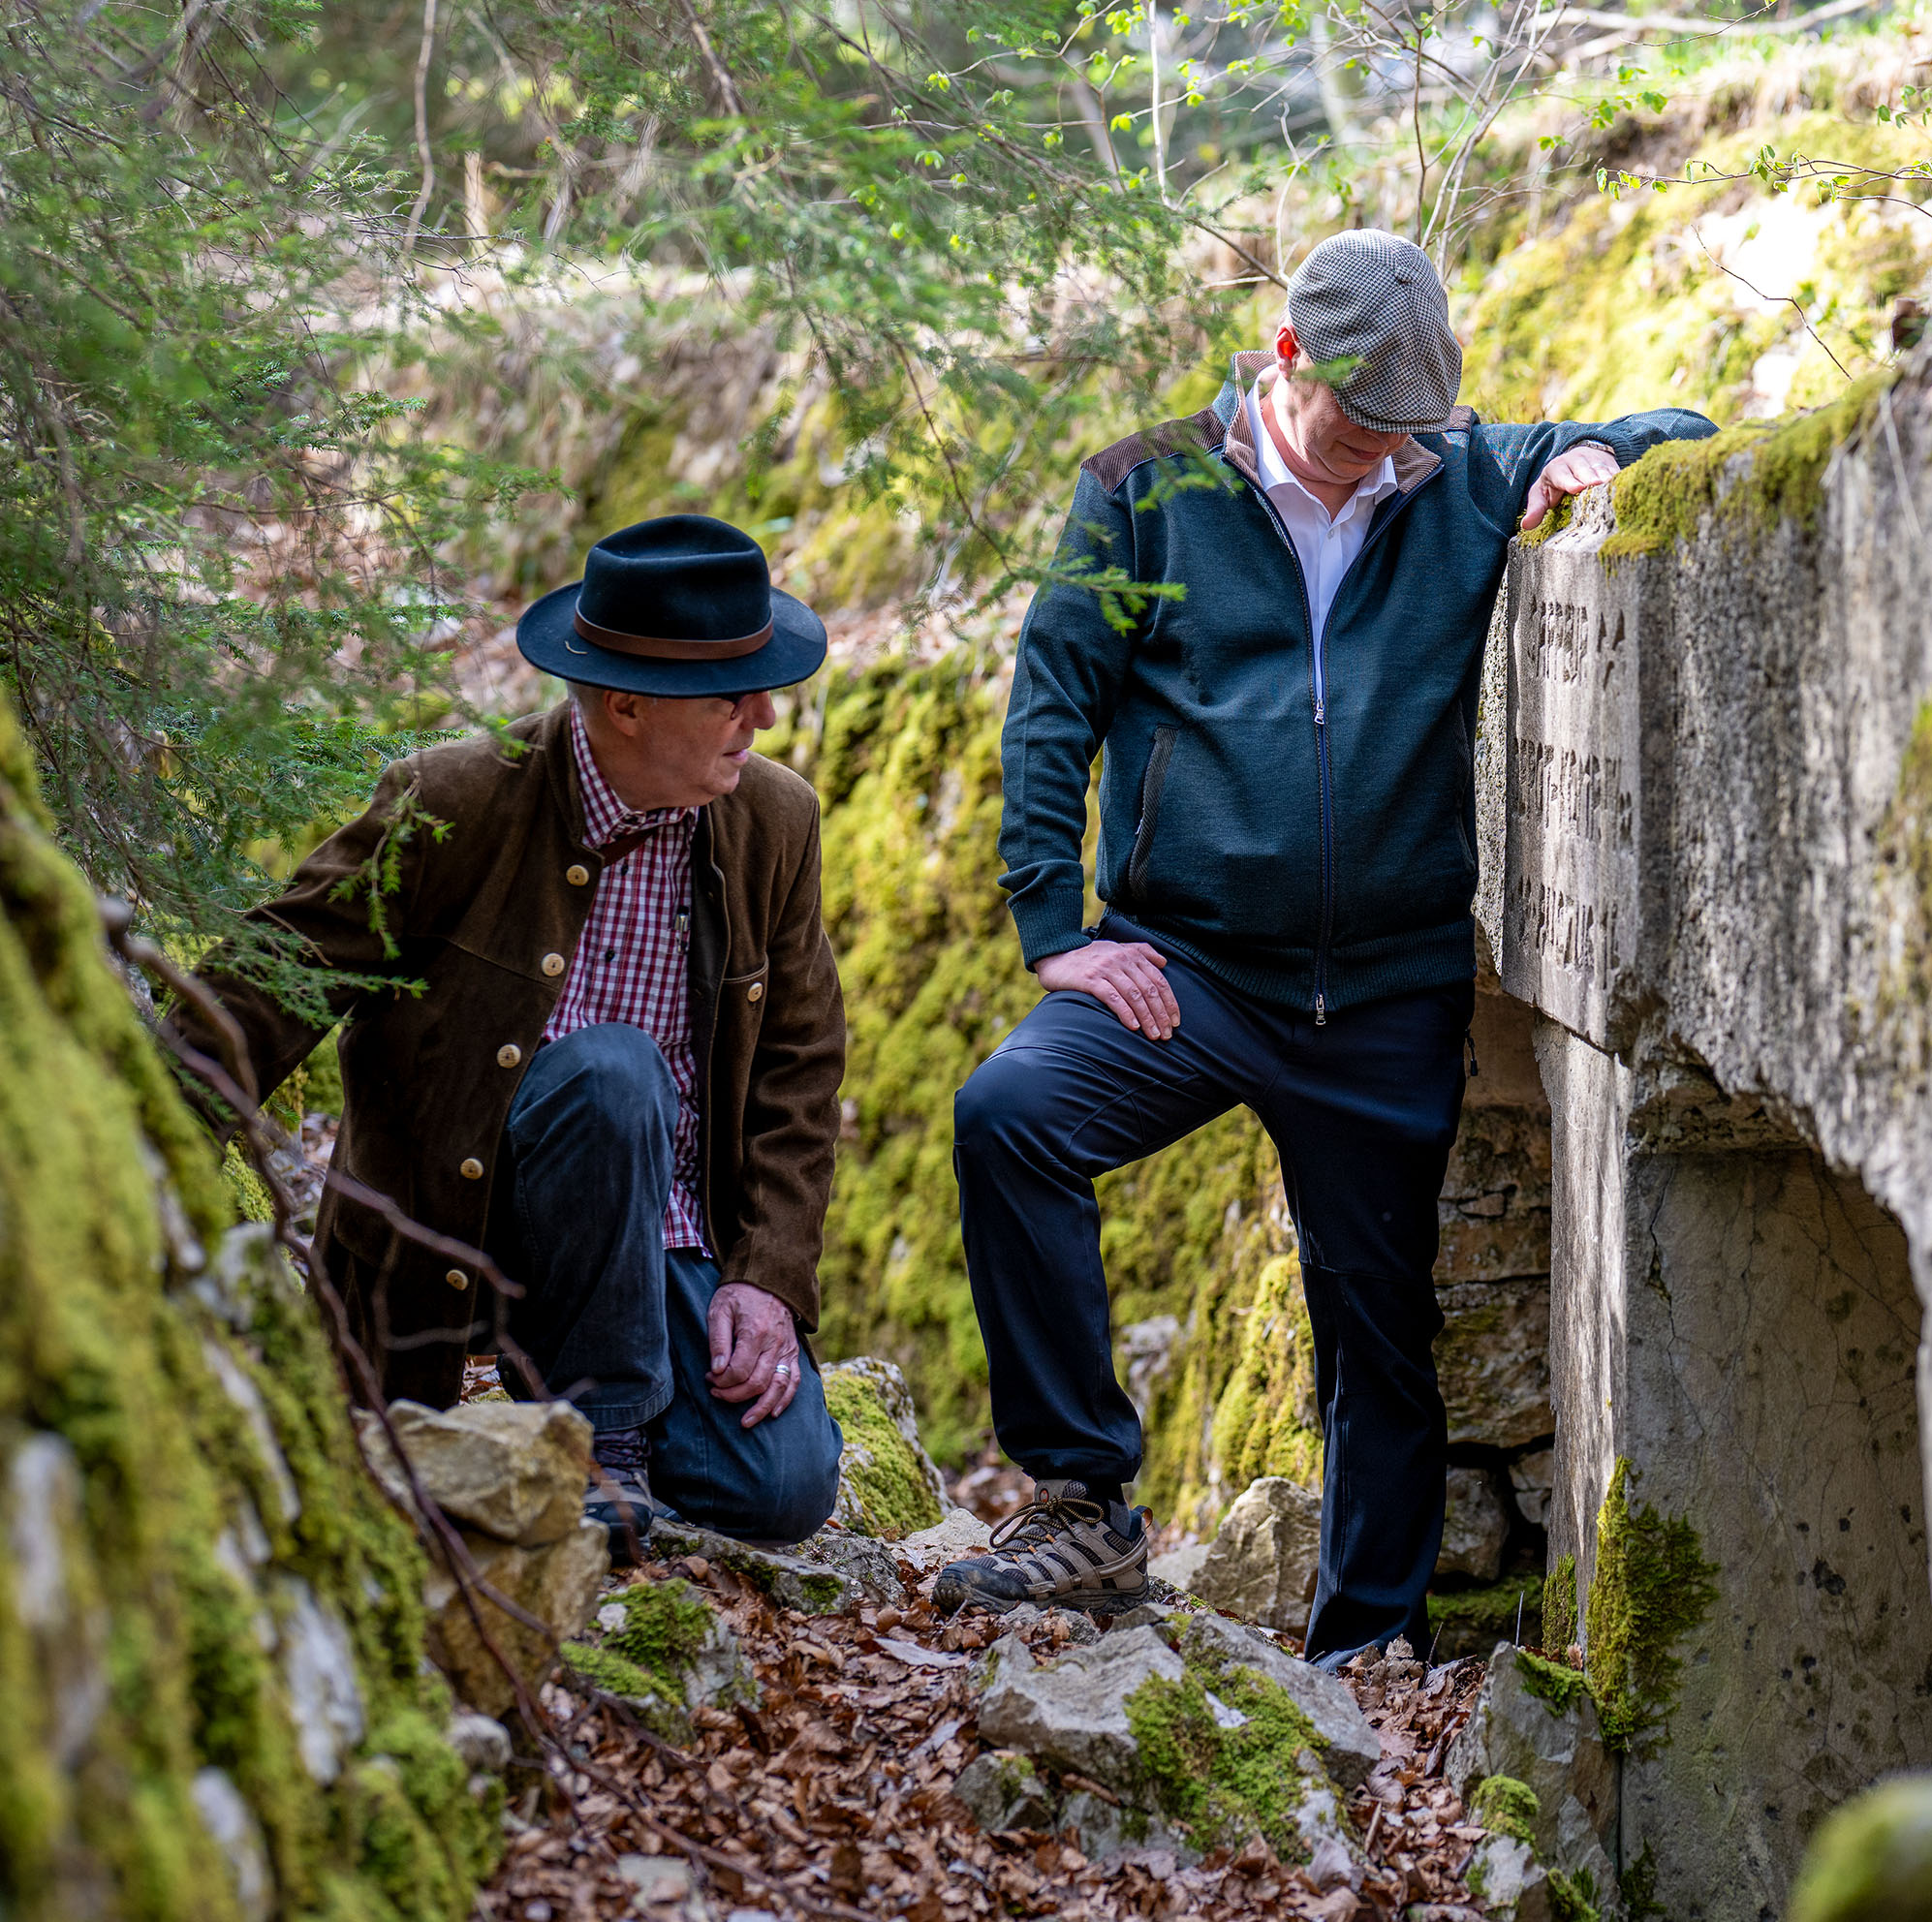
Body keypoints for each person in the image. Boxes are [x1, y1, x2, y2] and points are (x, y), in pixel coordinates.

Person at [940, 230, 1717, 1663]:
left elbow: (1690, 428)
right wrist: (1056, 930)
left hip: (1384, 992)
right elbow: (1052, 705)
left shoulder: (1456, 475)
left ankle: (1363, 1651)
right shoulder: (1140, 491)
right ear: (1286, 355)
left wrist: (1594, 455)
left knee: (1379, 1327)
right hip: (1194, 972)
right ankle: (1085, 1504)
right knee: (1012, 1120)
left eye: (1409, 430)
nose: (1381, 456)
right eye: (1360, 424)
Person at [175, 514, 850, 1556]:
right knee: (615, 1072)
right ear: (624, 705)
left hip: (657, 1227)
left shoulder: (776, 820)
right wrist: (147, 1131)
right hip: (456, 1232)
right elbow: (279, 977)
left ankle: (597, 1400)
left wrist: (765, 1273)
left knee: (783, 1489)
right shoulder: (456, 800)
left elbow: (802, 1067)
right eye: (732, 693)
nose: (764, 713)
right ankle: (601, 1441)